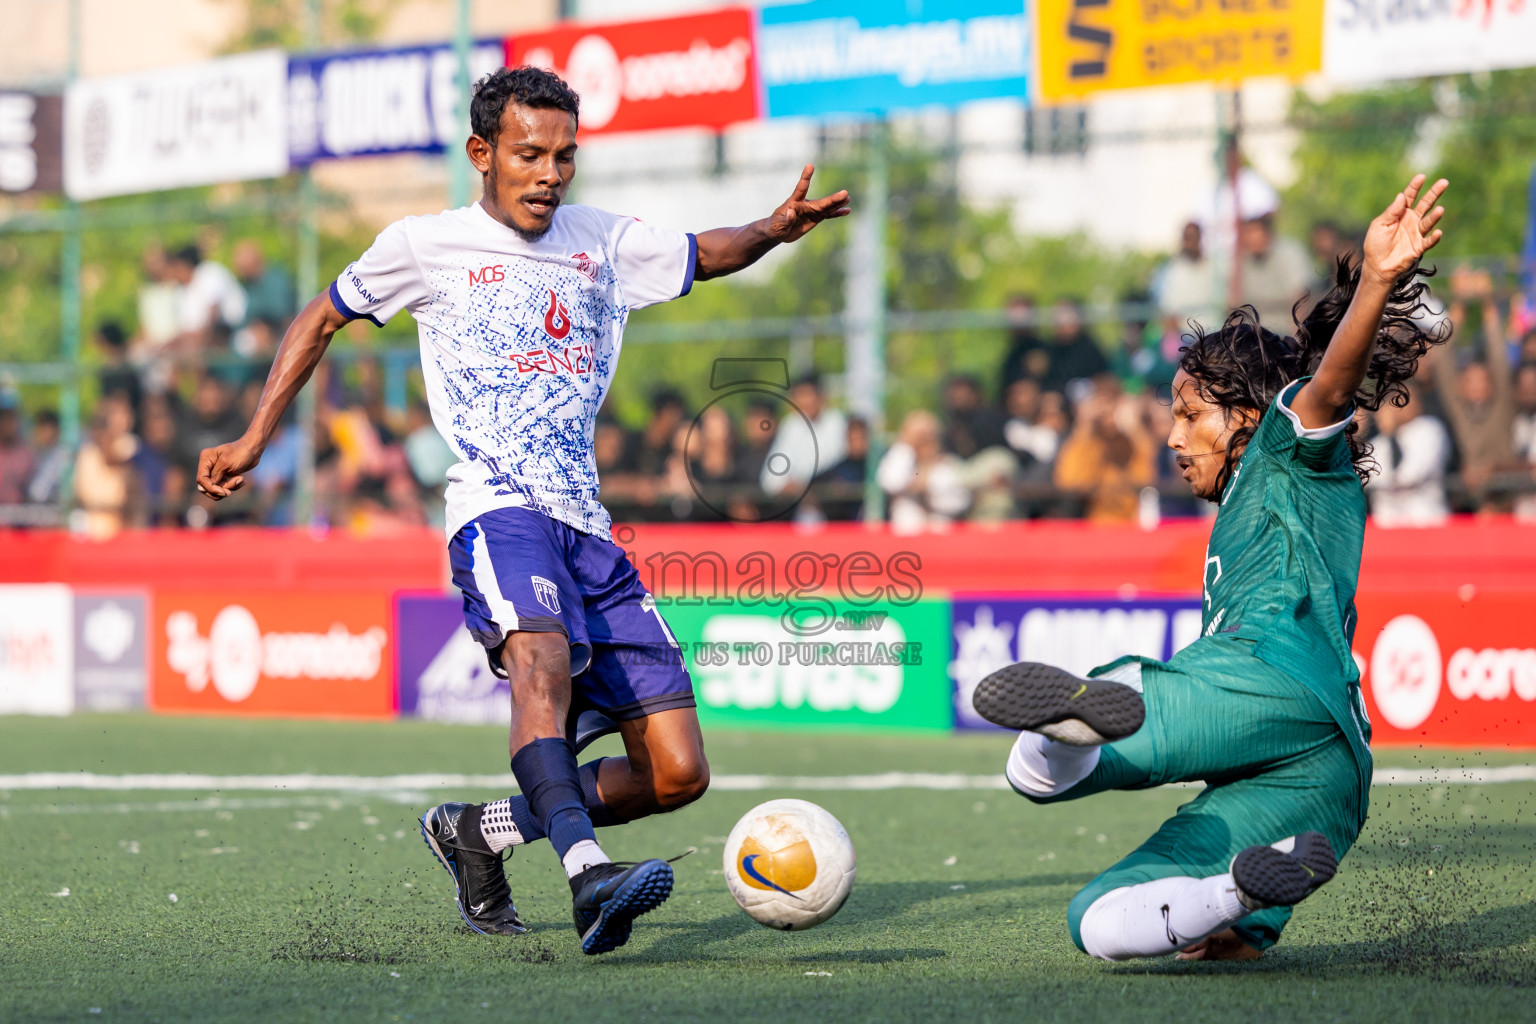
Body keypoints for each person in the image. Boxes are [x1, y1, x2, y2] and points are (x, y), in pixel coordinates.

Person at [195, 66, 849, 955]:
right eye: (530, 154)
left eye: (565, 157)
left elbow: (704, 252)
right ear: (484, 154)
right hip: (496, 505)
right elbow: (320, 316)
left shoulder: (601, 239)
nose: (550, 173)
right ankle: (588, 878)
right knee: (538, 659)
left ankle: (478, 832)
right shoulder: (426, 245)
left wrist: (773, 232)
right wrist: (254, 436)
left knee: (677, 774)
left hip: (587, 524)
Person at [969, 174, 1449, 962]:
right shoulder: (1262, 500)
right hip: (1330, 775)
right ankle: (1235, 894)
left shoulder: (1286, 451)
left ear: (1251, 419)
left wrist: (1375, 282)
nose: (1172, 437)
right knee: (1099, 921)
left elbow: (1327, 388)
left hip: (1261, 681)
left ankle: (1070, 726)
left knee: (1038, 775)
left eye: (1191, 414)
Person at [1364, 382, 1452, 527]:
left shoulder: (1430, 429)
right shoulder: (1376, 444)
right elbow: (1365, 479)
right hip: (1387, 528)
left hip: (1426, 522)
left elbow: (1410, 474)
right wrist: (1389, 435)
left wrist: (1391, 435)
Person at [1236, 214, 1313, 330]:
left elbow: (1300, 296)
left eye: (1254, 232)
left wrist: (1297, 336)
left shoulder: (1290, 252)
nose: (1251, 239)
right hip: (1253, 331)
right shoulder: (1242, 259)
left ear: (1268, 233)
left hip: (1285, 329)